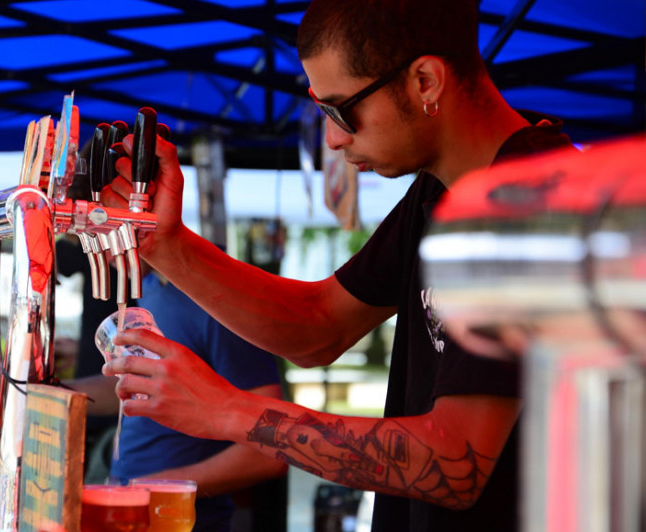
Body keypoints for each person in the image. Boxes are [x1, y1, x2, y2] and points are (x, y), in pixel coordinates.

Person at [99, 1, 574, 531]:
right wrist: (166, 244)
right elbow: (317, 325)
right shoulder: (441, 193)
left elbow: (454, 464)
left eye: (341, 110)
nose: (334, 138)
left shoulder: (535, 204)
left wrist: (228, 410)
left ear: (425, 82)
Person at [70, 265, 287, 531]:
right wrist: (58, 389)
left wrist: (146, 488)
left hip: (186, 518)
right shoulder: (149, 286)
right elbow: (141, 382)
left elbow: (271, 453)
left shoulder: (216, 300)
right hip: (129, 509)